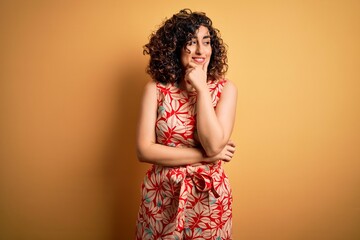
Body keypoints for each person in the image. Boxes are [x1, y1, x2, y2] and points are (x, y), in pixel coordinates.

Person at [135, 9, 237, 240]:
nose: (201, 50)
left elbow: (212, 145)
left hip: (209, 198)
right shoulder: (155, 90)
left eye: (207, 42)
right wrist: (206, 157)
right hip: (161, 196)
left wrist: (201, 88)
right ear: (175, 47)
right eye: (191, 42)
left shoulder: (226, 89)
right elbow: (144, 150)